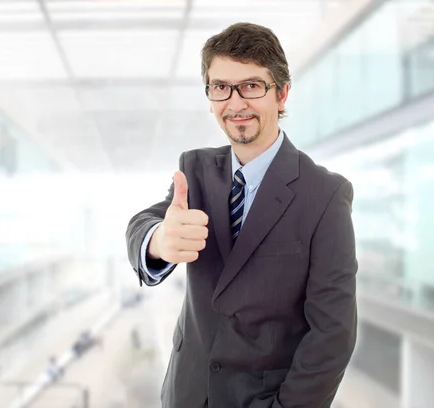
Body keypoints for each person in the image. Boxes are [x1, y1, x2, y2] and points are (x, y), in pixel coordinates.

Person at [125, 22, 357, 408]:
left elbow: (333, 334)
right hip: (185, 393)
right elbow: (142, 225)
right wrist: (158, 242)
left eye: (251, 86)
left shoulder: (325, 195)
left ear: (281, 95)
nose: (235, 104)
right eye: (221, 87)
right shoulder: (195, 170)